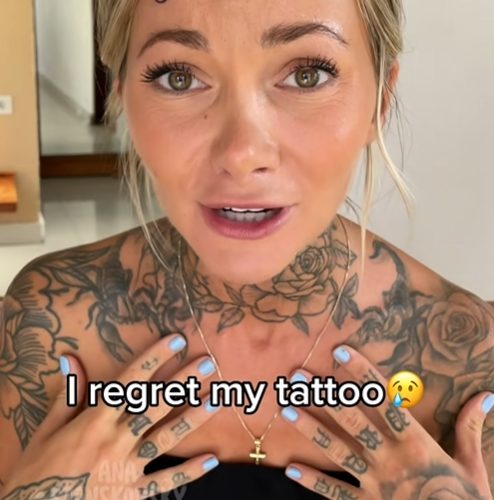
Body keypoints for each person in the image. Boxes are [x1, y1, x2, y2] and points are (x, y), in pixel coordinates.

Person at [1, 0, 493, 498]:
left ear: (380, 101)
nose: (241, 154)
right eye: (178, 77)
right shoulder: (48, 325)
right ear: (123, 96)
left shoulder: (470, 361)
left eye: (306, 76)